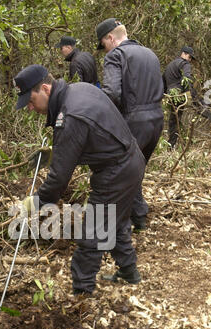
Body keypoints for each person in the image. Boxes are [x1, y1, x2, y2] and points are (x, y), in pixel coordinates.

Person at [13, 64, 146, 295]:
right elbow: (96, 131)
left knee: (93, 231)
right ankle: (129, 273)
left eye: (31, 101)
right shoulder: (79, 90)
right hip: (129, 161)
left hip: (117, 170)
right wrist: (59, 152)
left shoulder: (70, 115)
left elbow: (59, 178)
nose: (30, 108)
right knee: (115, 221)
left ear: (45, 88)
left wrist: (35, 202)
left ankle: (82, 293)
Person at [96, 18, 164, 231]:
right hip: (157, 120)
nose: (104, 49)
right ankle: (139, 217)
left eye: (103, 44)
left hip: (134, 121)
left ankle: (120, 227)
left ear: (110, 37)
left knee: (119, 171)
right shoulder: (150, 54)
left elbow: (112, 93)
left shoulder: (115, 56)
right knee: (135, 170)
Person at [163, 46, 210, 149]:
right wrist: (191, 96)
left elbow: (163, 82)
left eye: (191, 59)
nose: (190, 60)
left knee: (173, 121)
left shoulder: (170, 65)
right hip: (182, 94)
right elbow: (187, 79)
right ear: (183, 54)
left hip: (172, 97)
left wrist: (164, 95)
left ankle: (171, 146)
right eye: (189, 57)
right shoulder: (185, 64)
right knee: (201, 108)